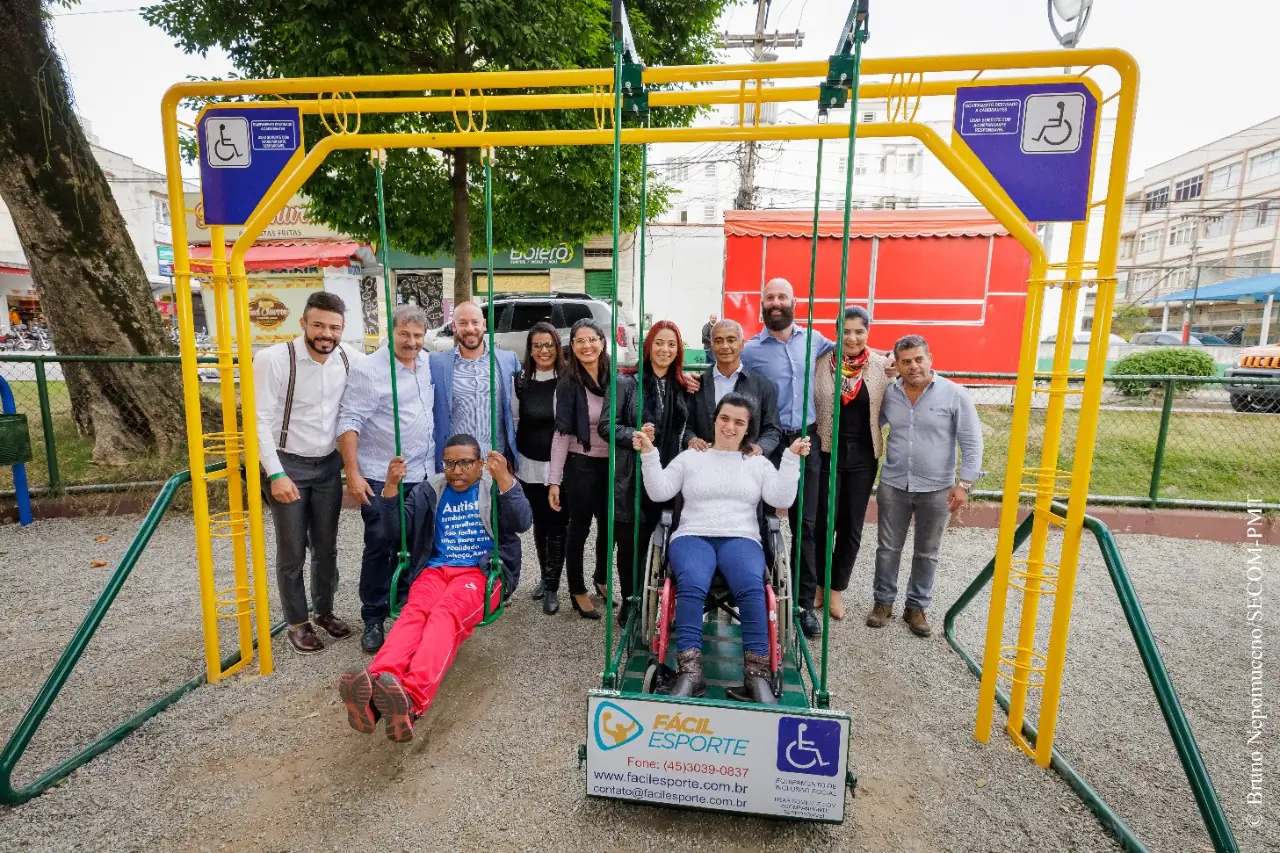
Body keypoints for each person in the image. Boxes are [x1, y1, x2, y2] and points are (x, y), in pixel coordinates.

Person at [338, 434, 533, 742]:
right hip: (435, 571)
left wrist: (506, 480)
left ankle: (412, 700)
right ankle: (376, 688)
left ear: (480, 464)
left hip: (481, 575)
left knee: (444, 615)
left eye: (466, 463)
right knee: (414, 612)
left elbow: (522, 521)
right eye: (450, 463)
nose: (456, 471)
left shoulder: (492, 485)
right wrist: (390, 488)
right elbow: (394, 532)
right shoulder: (431, 490)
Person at [636, 392, 808, 704]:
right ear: (715, 419)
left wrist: (792, 458)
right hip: (693, 535)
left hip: (740, 537)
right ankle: (690, 672)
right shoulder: (692, 456)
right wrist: (649, 454)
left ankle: (756, 675)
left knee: (751, 587)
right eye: (724, 418)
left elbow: (782, 500)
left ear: (748, 428)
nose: (730, 426)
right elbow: (659, 490)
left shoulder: (757, 463)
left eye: (739, 422)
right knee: (691, 584)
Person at [252, 291, 362, 654]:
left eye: (334, 327)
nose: (326, 333)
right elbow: (259, 421)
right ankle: (297, 623)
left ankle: (324, 611)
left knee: (327, 547)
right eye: (318, 325)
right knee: (292, 549)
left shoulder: (347, 358)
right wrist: (276, 474)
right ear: (303, 324)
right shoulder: (274, 359)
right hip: (288, 465)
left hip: (328, 464)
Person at [337, 304, 436, 654]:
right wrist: (353, 473)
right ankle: (374, 617)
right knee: (381, 544)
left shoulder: (426, 363)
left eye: (418, 336)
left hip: (422, 474)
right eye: (404, 334)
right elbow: (349, 421)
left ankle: (410, 611)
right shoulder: (370, 370)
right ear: (391, 332)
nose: (411, 342)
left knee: (418, 544)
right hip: (382, 475)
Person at [871, 334, 983, 638]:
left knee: (927, 551)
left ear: (930, 358)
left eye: (919, 359)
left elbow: (972, 441)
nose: (913, 366)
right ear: (898, 364)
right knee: (887, 548)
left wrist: (964, 484)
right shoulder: (889, 394)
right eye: (906, 361)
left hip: (937, 488)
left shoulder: (954, 394)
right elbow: (871, 424)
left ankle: (916, 607)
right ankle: (883, 603)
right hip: (894, 483)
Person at [740, 277, 834, 639]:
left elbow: (854, 351)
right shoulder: (751, 350)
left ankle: (803, 604)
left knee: (805, 525)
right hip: (771, 441)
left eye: (782, 296)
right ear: (761, 303)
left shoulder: (814, 340)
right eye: (769, 297)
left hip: (806, 440)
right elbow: (727, 370)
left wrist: (886, 362)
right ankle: (761, 597)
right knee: (762, 521)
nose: (775, 302)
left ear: (795, 301)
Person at [600, 320, 693, 627]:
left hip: (672, 473)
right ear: (648, 346)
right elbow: (607, 427)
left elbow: (692, 427)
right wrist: (636, 435)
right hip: (633, 477)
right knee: (631, 543)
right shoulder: (626, 382)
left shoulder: (685, 386)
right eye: (659, 343)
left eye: (671, 344)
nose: (665, 350)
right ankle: (631, 600)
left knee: (669, 539)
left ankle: (665, 599)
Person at [429, 300, 522, 591]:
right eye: (463, 323)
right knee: (462, 523)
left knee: (501, 524)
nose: (470, 329)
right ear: (454, 327)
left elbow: (517, 408)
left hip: (495, 458)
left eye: (475, 322)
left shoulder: (506, 360)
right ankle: (460, 579)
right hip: (459, 462)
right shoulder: (438, 363)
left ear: (484, 325)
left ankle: (503, 581)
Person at [811, 306, 891, 621]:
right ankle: (819, 584)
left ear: (868, 332)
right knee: (822, 524)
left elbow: (917, 374)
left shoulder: (883, 366)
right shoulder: (819, 365)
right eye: (846, 331)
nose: (853, 337)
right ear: (836, 334)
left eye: (859, 331)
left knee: (850, 527)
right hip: (826, 451)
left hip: (862, 457)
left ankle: (836, 591)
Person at [549, 318, 613, 620]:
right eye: (579, 341)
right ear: (572, 347)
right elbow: (561, 434)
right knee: (579, 529)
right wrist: (554, 481)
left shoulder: (616, 378)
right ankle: (576, 588)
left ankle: (602, 577)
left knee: (609, 528)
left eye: (592, 339)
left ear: (602, 342)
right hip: (580, 464)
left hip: (612, 464)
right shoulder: (568, 384)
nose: (587, 345)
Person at [515, 321, 569, 615]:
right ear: (530, 350)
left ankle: (552, 587)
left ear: (557, 348)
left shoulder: (567, 380)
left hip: (556, 466)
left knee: (557, 523)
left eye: (549, 345)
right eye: (538, 346)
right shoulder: (521, 381)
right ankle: (544, 577)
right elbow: (514, 421)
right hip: (528, 464)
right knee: (539, 522)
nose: (544, 350)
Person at [684, 318, 782, 458]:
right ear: (711, 345)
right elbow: (685, 426)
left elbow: (773, 429)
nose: (725, 346)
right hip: (705, 465)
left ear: (742, 344)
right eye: (718, 341)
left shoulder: (762, 386)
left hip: (745, 466)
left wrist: (760, 447)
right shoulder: (696, 385)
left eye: (731, 340)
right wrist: (691, 439)